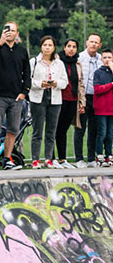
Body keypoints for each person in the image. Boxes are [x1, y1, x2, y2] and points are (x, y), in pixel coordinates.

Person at [0, 22, 31, 170]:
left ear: (17, 33)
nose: (9, 33)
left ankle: (7, 159)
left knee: (13, 130)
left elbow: (27, 73)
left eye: (12, 30)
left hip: (16, 97)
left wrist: (24, 92)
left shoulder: (22, 51)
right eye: (7, 30)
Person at [28, 35, 68, 169]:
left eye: (50, 45)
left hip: (55, 97)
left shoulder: (59, 63)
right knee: (37, 131)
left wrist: (56, 83)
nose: (47, 48)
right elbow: (28, 80)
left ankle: (48, 159)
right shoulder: (34, 61)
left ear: (54, 47)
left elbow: (65, 82)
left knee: (51, 131)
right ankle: (35, 160)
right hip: (38, 97)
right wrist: (41, 84)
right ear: (41, 47)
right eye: (45, 45)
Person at [56, 39, 85, 167]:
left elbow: (80, 84)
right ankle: (50, 158)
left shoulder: (77, 64)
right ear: (64, 47)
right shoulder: (57, 61)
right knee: (54, 129)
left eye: (74, 47)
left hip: (72, 100)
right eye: (69, 46)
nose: (71, 49)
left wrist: (81, 102)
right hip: (58, 99)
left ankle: (63, 159)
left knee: (63, 129)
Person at [76, 34, 103, 167]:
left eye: (96, 42)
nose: (93, 44)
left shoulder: (102, 60)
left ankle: (91, 158)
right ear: (86, 42)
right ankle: (79, 159)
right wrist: (80, 99)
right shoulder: (80, 57)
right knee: (80, 128)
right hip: (83, 97)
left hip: (97, 98)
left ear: (100, 45)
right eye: (91, 42)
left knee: (94, 129)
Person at [94, 49, 113, 165]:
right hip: (101, 108)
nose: (107, 60)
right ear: (101, 59)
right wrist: (111, 85)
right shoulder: (98, 72)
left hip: (112, 109)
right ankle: (99, 155)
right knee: (102, 132)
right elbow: (98, 89)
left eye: (109, 57)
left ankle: (109, 155)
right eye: (105, 57)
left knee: (110, 134)